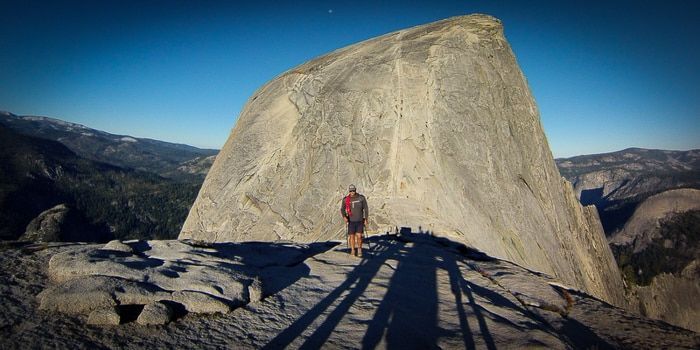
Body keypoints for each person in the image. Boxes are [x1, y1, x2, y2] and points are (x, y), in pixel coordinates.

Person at [340, 184, 368, 257]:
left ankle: (359, 249)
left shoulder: (361, 198)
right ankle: (352, 250)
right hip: (351, 221)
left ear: (355, 190)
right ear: (349, 191)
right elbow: (342, 209)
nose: (352, 192)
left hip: (359, 220)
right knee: (351, 236)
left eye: (353, 190)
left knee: (359, 236)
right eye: (351, 191)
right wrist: (344, 217)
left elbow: (366, 208)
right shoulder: (346, 199)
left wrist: (366, 218)